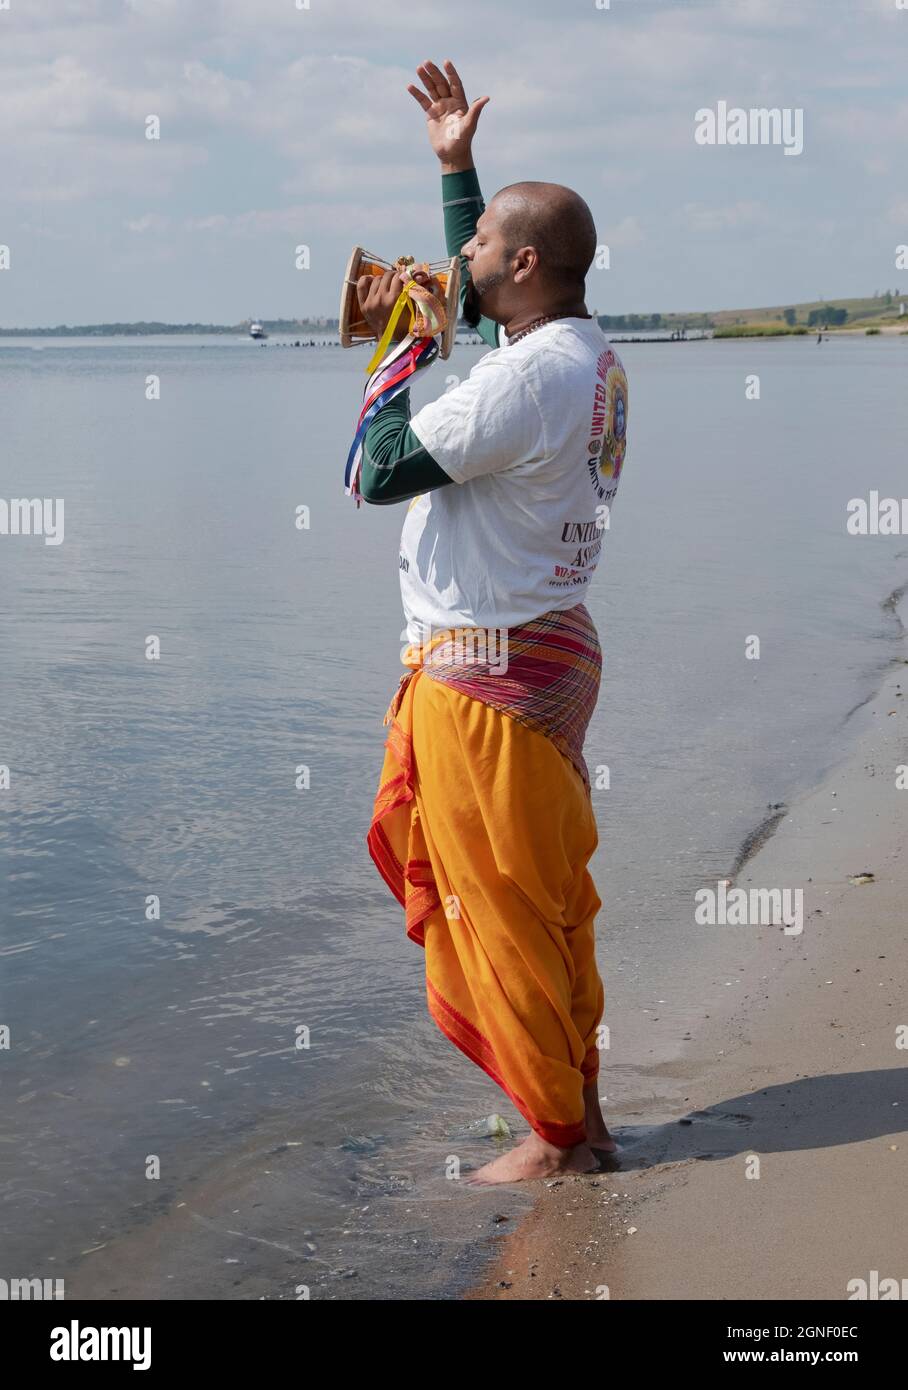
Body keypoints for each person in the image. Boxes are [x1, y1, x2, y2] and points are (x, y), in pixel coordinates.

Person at [359, 60, 629, 1183]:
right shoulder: (583, 353)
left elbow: (377, 471)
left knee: (502, 910)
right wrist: (456, 170)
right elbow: (491, 314)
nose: (453, 267)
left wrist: (398, 351)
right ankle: (582, 1112)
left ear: (523, 264)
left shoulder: (515, 386)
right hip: (552, 649)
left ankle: (553, 1140)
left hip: (483, 673)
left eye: (473, 251)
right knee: (548, 896)